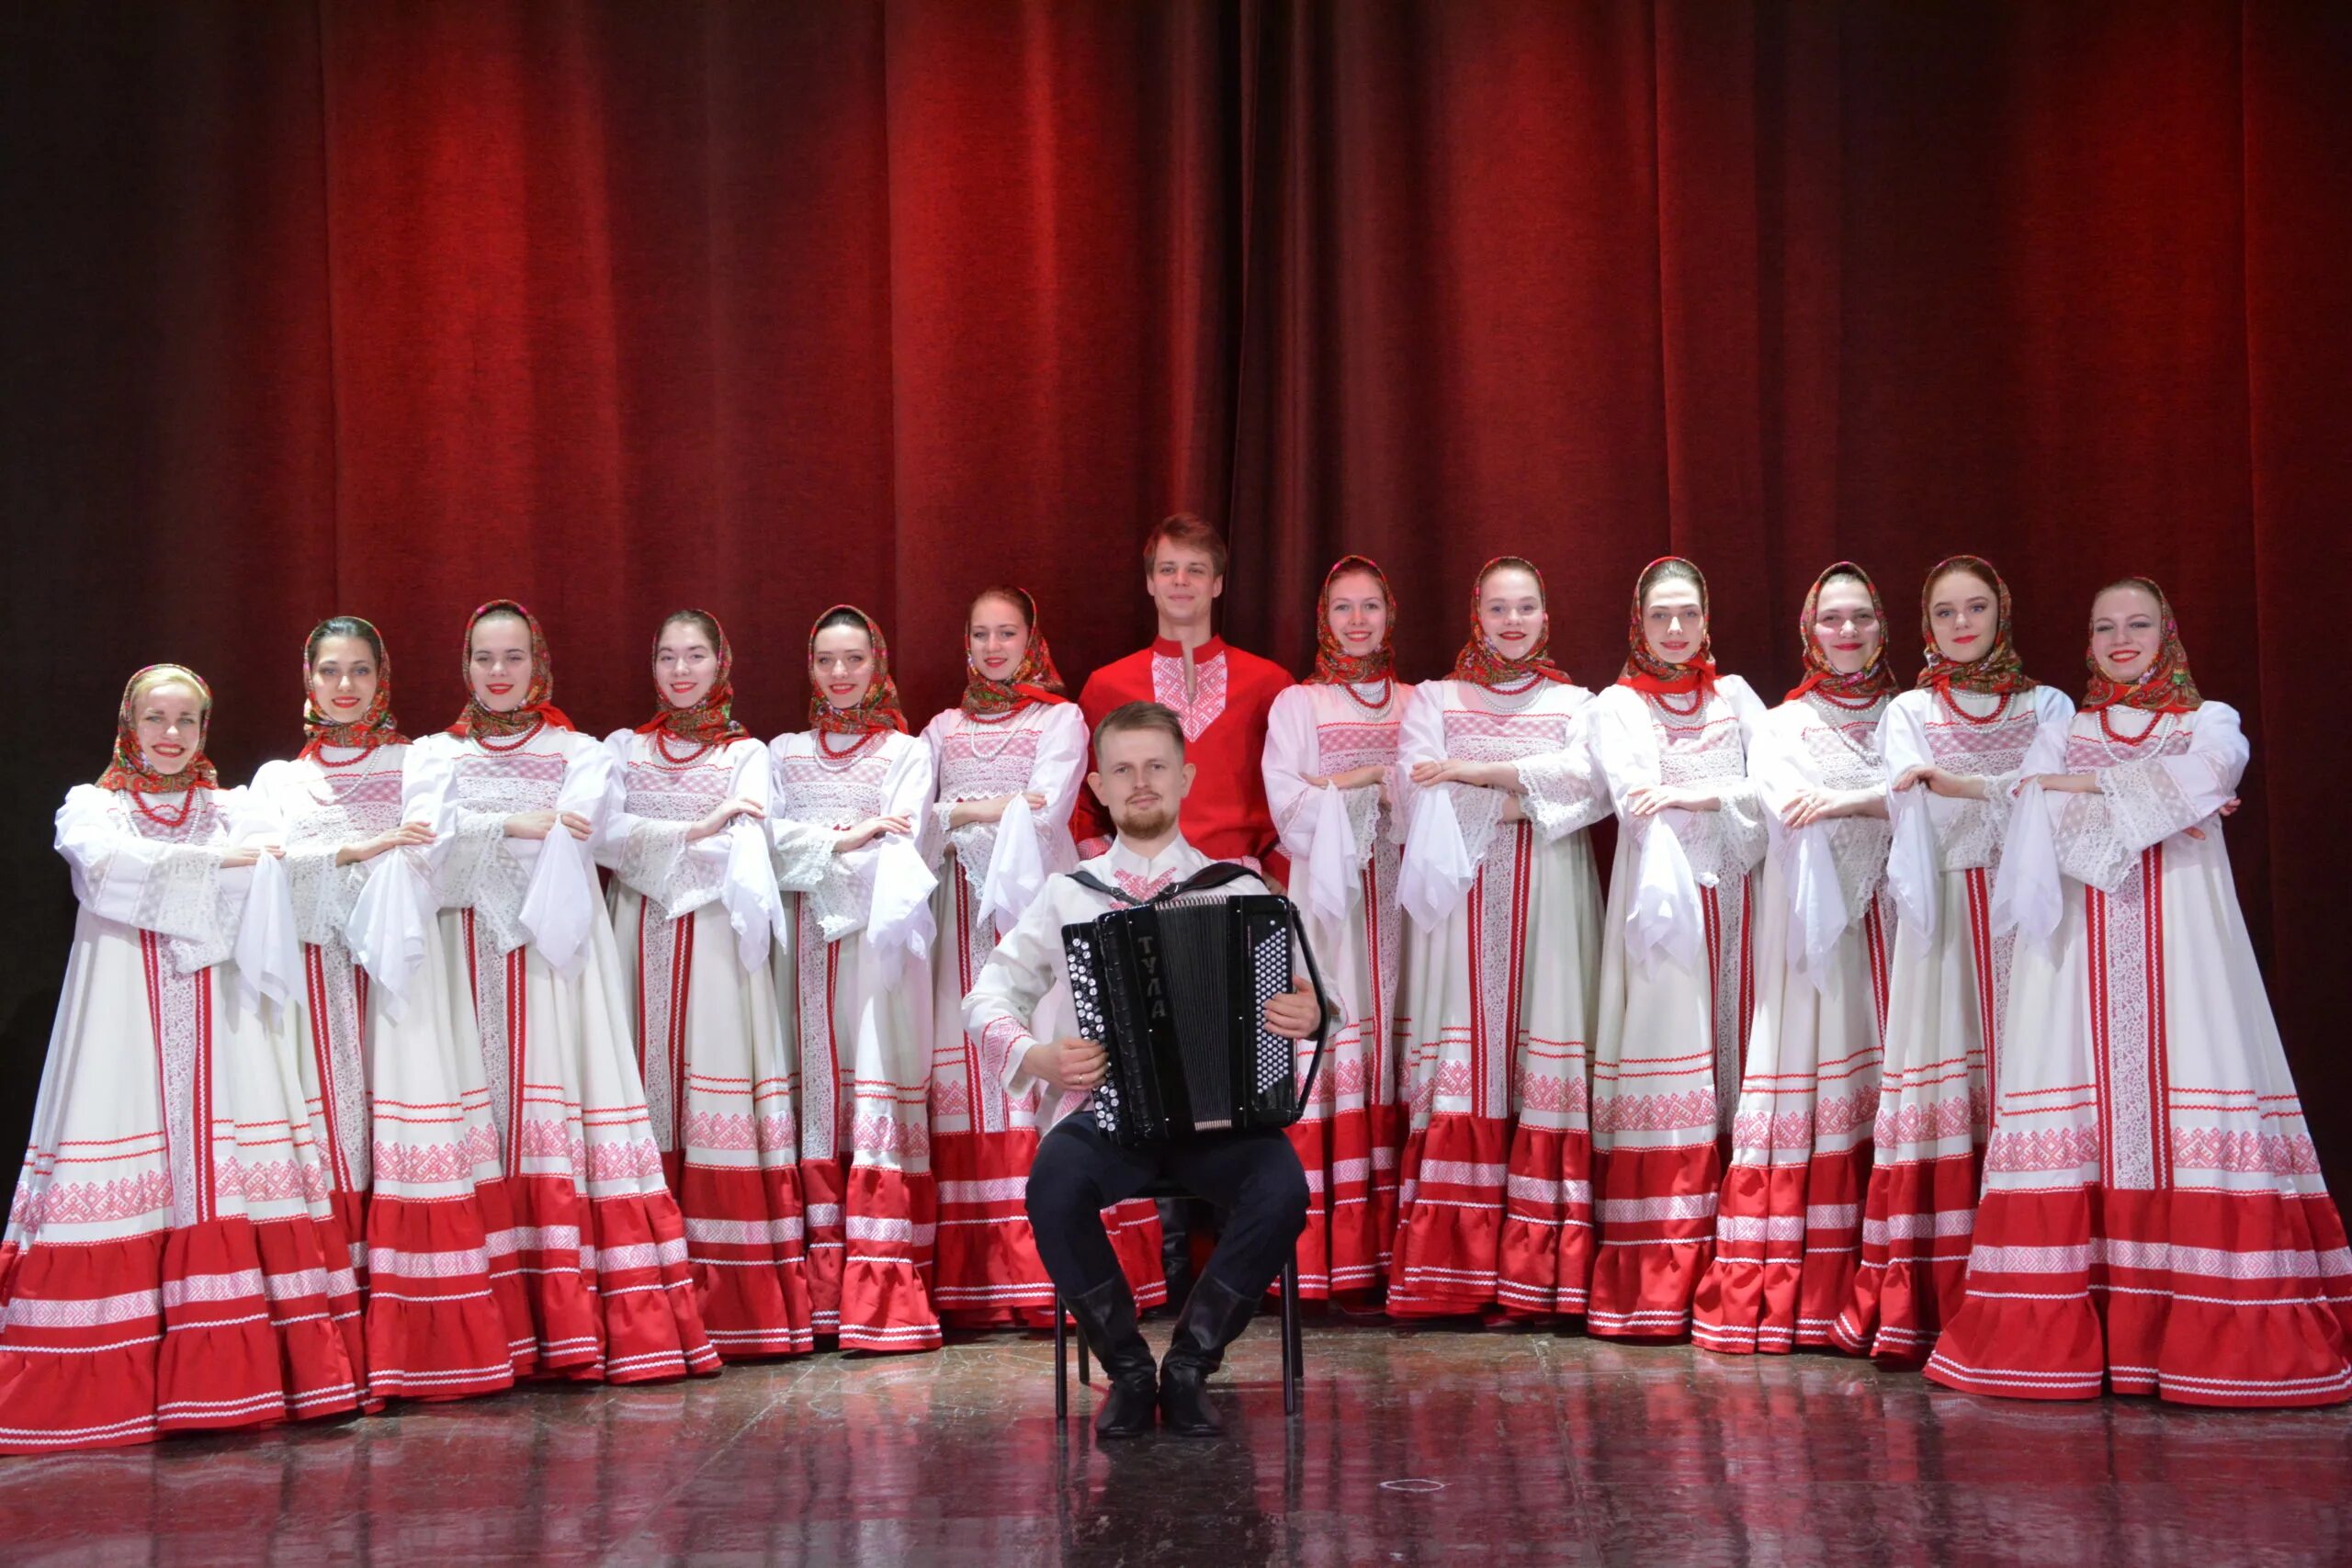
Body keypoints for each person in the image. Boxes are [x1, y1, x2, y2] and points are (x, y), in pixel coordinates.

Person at [1925, 579, 2352, 1406]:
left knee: (2190, 1085)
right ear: (2087, 641)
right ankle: (2079, 1338)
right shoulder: (2066, 729)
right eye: (2105, 627)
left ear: (2168, 633)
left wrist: (2081, 791)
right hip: (2078, 955)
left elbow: (2211, 771)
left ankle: (2209, 1338)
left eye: (2139, 624)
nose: (2123, 639)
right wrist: (2152, 798)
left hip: (2188, 947)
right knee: (2086, 1115)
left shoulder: (2209, 719)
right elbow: (2036, 813)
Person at [0, 667, 362, 1451]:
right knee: (128, 1160)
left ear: (205, 729)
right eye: (156, 718)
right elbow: (109, 872)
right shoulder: (92, 805)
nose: (171, 734)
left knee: (233, 1164)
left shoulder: (235, 806)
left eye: (187, 720)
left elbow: (274, 863)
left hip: (226, 1020)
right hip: (123, 1018)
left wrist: (245, 864)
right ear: (129, 721)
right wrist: (226, 869)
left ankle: (242, 1376)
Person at [965, 701, 1318, 1437]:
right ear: (1098, 784)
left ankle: (1191, 1362)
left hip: (1221, 1118)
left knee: (1281, 1185)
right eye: (1123, 769)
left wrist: (1309, 1012)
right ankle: (1127, 1366)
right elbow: (986, 996)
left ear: (1186, 777)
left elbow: (1318, 999)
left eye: (1157, 765)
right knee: (1053, 1185)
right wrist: (1036, 1055)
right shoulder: (1071, 893)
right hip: (1109, 1116)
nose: (1141, 781)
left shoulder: (1240, 889)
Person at [412, 600, 718, 1382]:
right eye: (484, 657)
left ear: (537, 662)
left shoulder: (582, 751)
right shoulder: (432, 755)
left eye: (514, 656)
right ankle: (491, 1323)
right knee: (479, 1118)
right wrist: (527, 823)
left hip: (556, 964)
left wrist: (489, 826)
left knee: (559, 1112)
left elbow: (577, 826)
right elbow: (434, 850)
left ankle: (573, 1319)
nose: (500, 672)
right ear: (466, 665)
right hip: (466, 959)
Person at [250, 617, 523, 1403]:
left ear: (383, 676)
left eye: (360, 670)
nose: (345, 686)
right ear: (307, 679)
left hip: (404, 979)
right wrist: (355, 852)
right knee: (336, 1136)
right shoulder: (276, 781)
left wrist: (380, 860)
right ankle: (340, 1344)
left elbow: (439, 851)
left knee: (407, 1128)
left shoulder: (423, 759)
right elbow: (268, 876)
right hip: (320, 979)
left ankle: (425, 1346)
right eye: (330, 671)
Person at [1829, 558, 2074, 1364]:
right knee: (1947, 1088)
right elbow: (1914, 799)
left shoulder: (2049, 703)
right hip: (1939, 927)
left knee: (2029, 1081)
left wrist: (1963, 783)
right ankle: (1933, 1296)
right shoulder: (1909, 707)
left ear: (2000, 615)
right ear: (1925, 624)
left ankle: (2040, 1289)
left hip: (2030, 920)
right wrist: (1995, 789)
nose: (1961, 623)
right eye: (1944, 611)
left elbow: (2054, 791)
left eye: (1975, 608)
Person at [918, 589, 1164, 1326]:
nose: (995, 647)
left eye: (1009, 633)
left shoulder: (1058, 718)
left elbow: (1047, 804)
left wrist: (959, 812)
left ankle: (1060, 1277)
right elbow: (917, 823)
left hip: (1040, 914)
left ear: (1032, 640)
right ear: (965, 642)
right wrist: (979, 811)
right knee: (973, 1064)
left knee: (1050, 1066)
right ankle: (988, 1283)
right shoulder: (940, 727)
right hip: (961, 912)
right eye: (982, 633)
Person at [1069, 513, 1292, 1306]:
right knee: (1143, 1066)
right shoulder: (1107, 683)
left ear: (1219, 581)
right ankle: (1158, 1262)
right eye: (1167, 569)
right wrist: (1109, 873)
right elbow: (1081, 806)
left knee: (1233, 1069)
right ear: (1150, 580)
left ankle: (1238, 1270)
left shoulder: (1270, 682)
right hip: (1134, 901)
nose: (1182, 584)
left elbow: (1286, 799)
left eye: (1196, 569)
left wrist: (1272, 878)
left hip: (1233, 900)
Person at [1385, 558, 1610, 1319]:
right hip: (1464, 901)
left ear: (1547, 617)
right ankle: (1457, 1270)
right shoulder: (1435, 698)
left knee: (1542, 1040)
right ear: (1475, 616)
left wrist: (1474, 775)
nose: (1512, 621)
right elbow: (1415, 787)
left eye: (1527, 607)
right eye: (1498, 608)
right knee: (1468, 1057)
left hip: (1550, 894)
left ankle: (1540, 1273)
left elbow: (1588, 788)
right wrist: (1523, 789)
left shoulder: (1578, 701)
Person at [600, 610, 819, 1358]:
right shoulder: (623, 749)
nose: (680, 670)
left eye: (695, 655)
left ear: (721, 662)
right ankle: (650, 1293)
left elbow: (747, 840)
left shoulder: (748, 753)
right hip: (638, 935)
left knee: (714, 1091)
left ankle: (733, 1306)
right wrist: (694, 831)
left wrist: (662, 841)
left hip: (720, 939)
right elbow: (602, 834)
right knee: (645, 1091)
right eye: (667, 656)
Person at [1690, 566, 1895, 1354]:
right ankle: (1811, 1284)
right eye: (1832, 621)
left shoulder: (1910, 713)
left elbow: (1921, 793)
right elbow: (1787, 805)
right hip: (1819, 939)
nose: (1847, 634)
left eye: (1861, 619)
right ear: (1810, 632)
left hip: (1903, 928)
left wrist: (1872, 801)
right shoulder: (1783, 723)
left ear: (1883, 626)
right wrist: (1883, 802)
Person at [1585, 558, 1770, 1340]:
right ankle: (1663, 1275)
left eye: (1687, 614)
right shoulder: (1618, 703)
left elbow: (1773, 788)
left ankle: (1742, 1255)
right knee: (1673, 1050)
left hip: (1739, 894)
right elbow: (1634, 794)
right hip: (1663, 905)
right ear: (1639, 621)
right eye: (1660, 615)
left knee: (1740, 1055)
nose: (1673, 630)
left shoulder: (1736, 698)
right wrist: (1721, 792)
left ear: (1706, 619)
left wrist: (1698, 793)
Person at [768, 605, 941, 1352]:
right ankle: (815, 1298)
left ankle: (877, 1296)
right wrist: (852, 835)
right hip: (799, 950)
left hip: (874, 947)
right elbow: (765, 846)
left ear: (877, 664)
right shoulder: (780, 752)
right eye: (826, 661)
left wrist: (823, 849)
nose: (840, 675)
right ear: (810, 668)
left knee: (868, 1087)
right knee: (813, 1097)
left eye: (854, 660)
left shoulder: (906, 751)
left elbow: (903, 848)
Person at [1261, 558, 1412, 1302]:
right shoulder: (1299, 704)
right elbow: (1287, 810)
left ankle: (1401, 1250)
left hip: (1409, 903)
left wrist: (1362, 789)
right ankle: (1328, 1257)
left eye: (1371, 608)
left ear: (1391, 614)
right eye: (1344, 608)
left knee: (1403, 1042)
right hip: (1329, 905)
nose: (1358, 622)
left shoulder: (1419, 701)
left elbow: (1435, 793)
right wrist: (1365, 784)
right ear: (1326, 618)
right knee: (1338, 1038)